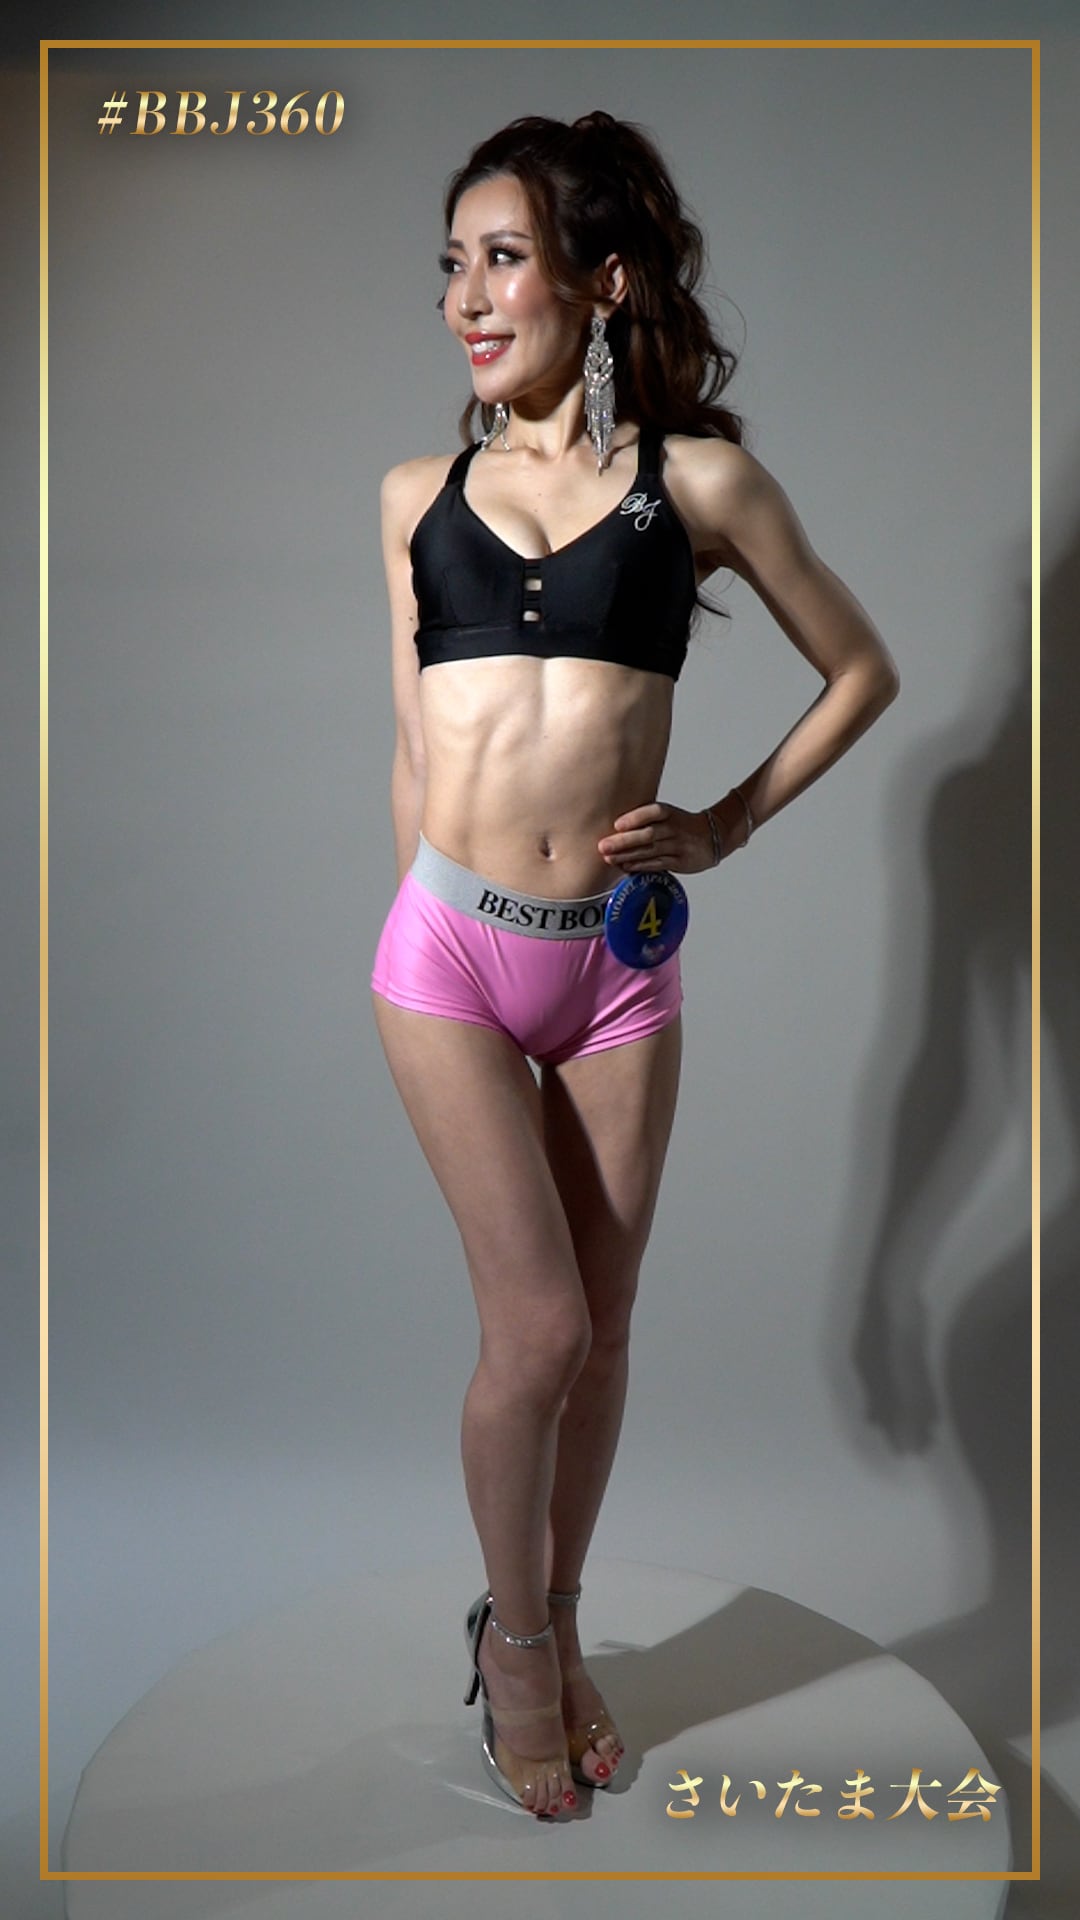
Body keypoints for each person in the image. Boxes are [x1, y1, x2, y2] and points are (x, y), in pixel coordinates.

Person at [370, 110, 899, 1821]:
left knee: (599, 1338)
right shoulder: (416, 497)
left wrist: (724, 825)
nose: (467, 295)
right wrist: (425, 922)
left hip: (614, 967)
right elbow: (413, 750)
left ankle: (563, 1615)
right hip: (454, 955)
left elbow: (862, 668)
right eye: (452, 264)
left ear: (601, 283)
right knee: (532, 1329)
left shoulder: (702, 487)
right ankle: (517, 1647)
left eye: (502, 258)